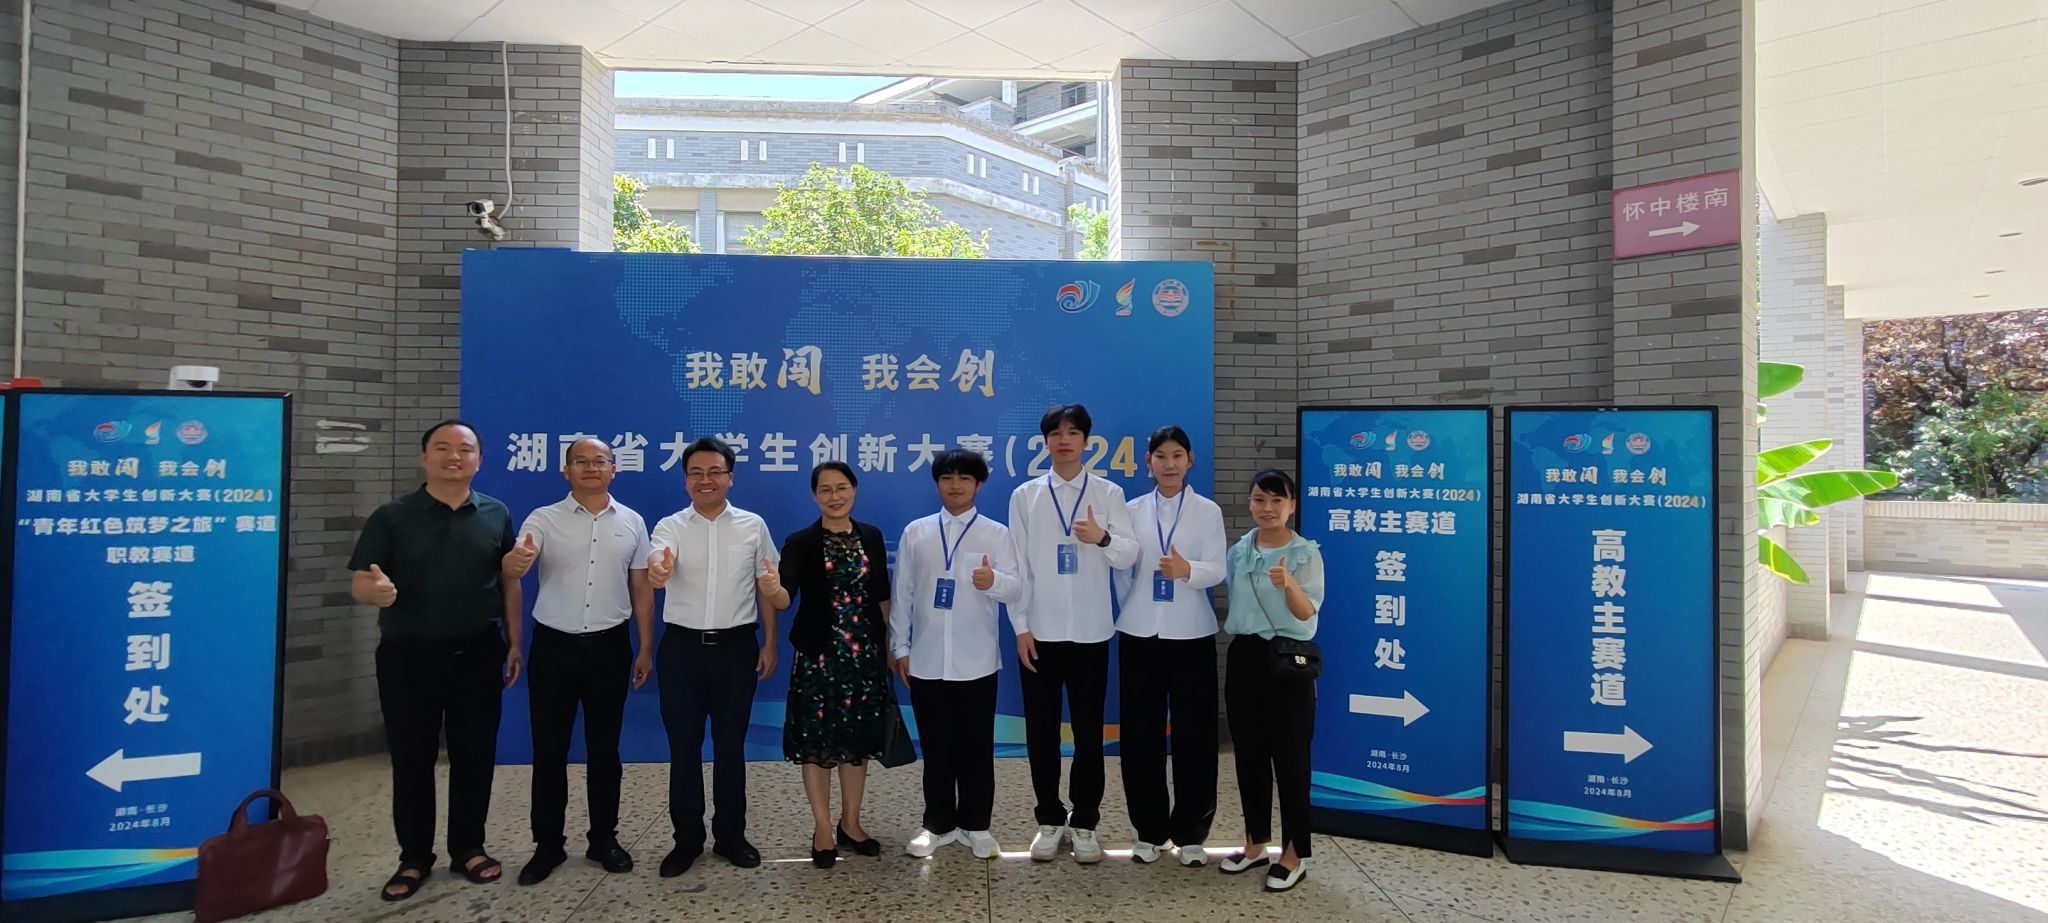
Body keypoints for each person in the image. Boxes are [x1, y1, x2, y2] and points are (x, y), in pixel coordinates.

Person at [348, 420, 522, 902]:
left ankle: (469, 847)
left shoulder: (495, 513)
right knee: (412, 760)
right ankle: (414, 857)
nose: (454, 457)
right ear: (424, 457)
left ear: (479, 460)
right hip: (408, 657)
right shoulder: (392, 516)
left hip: (477, 653)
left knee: (474, 756)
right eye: (442, 448)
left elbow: (508, 579)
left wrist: (514, 641)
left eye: (465, 449)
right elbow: (361, 581)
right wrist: (375, 592)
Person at [504, 437, 655, 886]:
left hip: (610, 647)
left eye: (600, 461)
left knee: (605, 750)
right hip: (554, 647)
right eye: (581, 461)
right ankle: (547, 844)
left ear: (614, 469)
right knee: (549, 750)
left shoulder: (632, 522)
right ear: (565, 470)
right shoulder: (543, 519)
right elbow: (515, 570)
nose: (591, 468)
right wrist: (514, 563)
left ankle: (603, 839)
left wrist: (645, 646)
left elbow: (641, 587)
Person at [1006, 403, 1138, 863]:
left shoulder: (1108, 492)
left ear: (1086, 441)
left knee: (1087, 733)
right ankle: (1048, 819)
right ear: (1045, 442)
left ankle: (1085, 822)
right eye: (1056, 433)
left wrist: (1102, 537)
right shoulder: (1025, 496)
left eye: (1073, 432)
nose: (1064, 440)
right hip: (1039, 633)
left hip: (1091, 633)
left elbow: (1129, 554)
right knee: (1041, 732)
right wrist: (1020, 626)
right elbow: (1017, 567)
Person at [647, 436, 784, 878]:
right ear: (685, 479)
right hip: (681, 651)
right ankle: (686, 840)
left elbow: (767, 585)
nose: (705, 480)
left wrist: (770, 642)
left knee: (730, 747)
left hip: (735, 650)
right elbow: (658, 564)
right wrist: (659, 571)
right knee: (683, 748)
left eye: (714, 472)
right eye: (696, 473)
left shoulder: (752, 525)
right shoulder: (670, 526)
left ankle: (730, 836)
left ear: (730, 477)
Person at [890, 449, 1023, 861]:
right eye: (947, 477)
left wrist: (993, 580)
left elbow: (1017, 588)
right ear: (937, 484)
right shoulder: (917, 532)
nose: (955, 485)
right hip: (927, 659)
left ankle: (976, 825)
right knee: (936, 747)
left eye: (965, 478)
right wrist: (900, 646)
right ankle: (938, 824)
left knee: (976, 748)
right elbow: (902, 592)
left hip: (977, 661)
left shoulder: (996, 534)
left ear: (978, 484)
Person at [1113, 426, 1228, 867]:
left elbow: (1217, 569)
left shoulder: (1207, 511)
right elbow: (1122, 570)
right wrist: (1135, 605)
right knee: (1139, 735)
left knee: (1195, 735)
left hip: (1191, 634)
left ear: (1190, 460)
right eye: (1160, 456)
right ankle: (1149, 831)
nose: (1169, 464)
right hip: (1139, 634)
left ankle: (1192, 833)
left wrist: (1188, 570)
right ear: (1148, 462)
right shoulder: (1130, 510)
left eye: (1177, 455)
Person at [777, 461, 894, 869]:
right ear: (814, 496)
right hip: (819, 658)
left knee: (855, 743)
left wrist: (890, 646)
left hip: (863, 655)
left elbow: (882, 595)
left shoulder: (871, 536)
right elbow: (784, 595)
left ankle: (851, 822)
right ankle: (823, 828)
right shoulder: (800, 542)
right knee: (816, 743)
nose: (834, 496)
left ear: (854, 490)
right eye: (825, 490)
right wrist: (772, 589)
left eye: (842, 487)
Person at [1220, 469, 1326, 893]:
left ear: (1292, 506)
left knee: (1292, 759)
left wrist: (1289, 584)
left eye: (1277, 500)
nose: (1267, 508)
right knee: (1249, 755)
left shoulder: (1306, 553)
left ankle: (1294, 853)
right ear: (1250, 503)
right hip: (1245, 657)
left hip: (1288, 659)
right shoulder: (1238, 552)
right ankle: (1255, 844)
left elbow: (1307, 614)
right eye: (1260, 499)